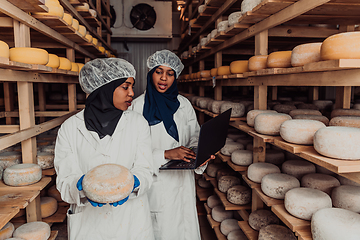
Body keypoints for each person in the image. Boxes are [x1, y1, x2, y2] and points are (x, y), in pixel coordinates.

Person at [54, 58, 155, 240]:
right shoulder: (69, 128)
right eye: (126, 87)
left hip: (131, 221)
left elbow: (146, 169)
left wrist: (135, 182)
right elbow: (64, 181)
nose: (132, 93)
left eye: (132, 86)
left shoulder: (138, 123)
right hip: (89, 225)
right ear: (104, 89)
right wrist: (81, 187)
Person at [131, 49, 214, 240]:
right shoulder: (137, 107)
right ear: (151, 73)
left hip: (183, 184)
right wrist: (166, 154)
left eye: (170, 73)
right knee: (161, 232)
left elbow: (195, 136)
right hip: (156, 187)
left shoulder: (184, 104)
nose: (164, 78)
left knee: (185, 231)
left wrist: (200, 155)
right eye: (159, 71)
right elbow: (131, 153)